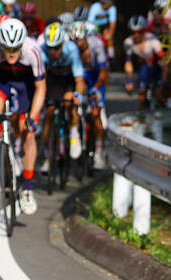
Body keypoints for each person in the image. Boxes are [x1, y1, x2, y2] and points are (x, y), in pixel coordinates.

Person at [0, 18, 45, 215]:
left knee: (28, 132)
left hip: (25, 83)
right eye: (7, 47)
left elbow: (41, 88)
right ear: (0, 43)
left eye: (16, 48)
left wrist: (33, 117)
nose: (11, 52)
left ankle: (28, 189)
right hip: (0, 78)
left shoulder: (33, 51)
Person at [39, 21, 86, 174]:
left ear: (63, 44)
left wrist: (78, 95)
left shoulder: (72, 50)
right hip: (53, 80)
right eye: (50, 48)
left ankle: (73, 134)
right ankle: (47, 157)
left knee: (69, 102)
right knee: (50, 112)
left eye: (57, 48)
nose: (53, 52)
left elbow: (79, 79)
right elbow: (40, 78)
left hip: (68, 80)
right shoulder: (42, 51)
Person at [70, 20, 109, 169]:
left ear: (86, 37)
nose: (78, 44)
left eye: (80, 40)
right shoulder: (73, 49)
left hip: (96, 76)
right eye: (75, 41)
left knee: (95, 113)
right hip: (81, 76)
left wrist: (96, 88)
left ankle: (99, 151)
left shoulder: (96, 45)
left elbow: (103, 71)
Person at [123, 15, 165, 111]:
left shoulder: (153, 41)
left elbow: (164, 62)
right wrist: (129, 79)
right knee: (141, 91)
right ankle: (140, 112)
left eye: (139, 32)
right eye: (133, 32)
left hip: (158, 67)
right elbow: (128, 62)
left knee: (159, 94)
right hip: (145, 68)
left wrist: (163, 82)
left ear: (144, 31)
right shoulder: (128, 42)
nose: (136, 35)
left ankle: (167, 106)